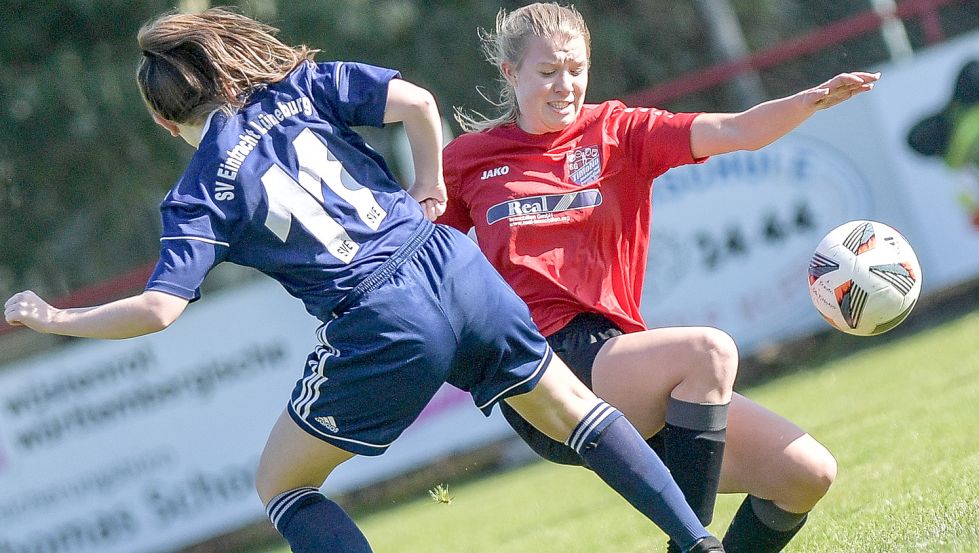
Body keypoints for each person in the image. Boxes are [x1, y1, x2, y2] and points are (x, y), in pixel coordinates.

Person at [2, 8, 729, 553]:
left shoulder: (199, 191)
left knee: (280, 485)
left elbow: (159, 310)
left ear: (166, 123)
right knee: (573, 409)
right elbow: (415, 102)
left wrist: (56, 319)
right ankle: (700, 545)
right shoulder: (299, 86)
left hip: (379, 317)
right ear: (227, 70)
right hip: (450, 262)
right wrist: (430, 188)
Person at [438, 3, 877, 552]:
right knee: (707, 353)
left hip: (617, 361)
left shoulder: (620, 131)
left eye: (576, 69)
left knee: (805, 474)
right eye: (548, 71)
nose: (564, 84)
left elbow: (736, 129)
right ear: (510, 73)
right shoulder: (466, 160)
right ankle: (690, 542)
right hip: (537, 369)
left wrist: (809, 99)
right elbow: (427, 262)